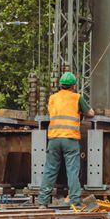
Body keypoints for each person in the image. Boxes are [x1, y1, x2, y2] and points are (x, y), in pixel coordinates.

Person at [37, 72, 95, 207]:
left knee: (50, 170)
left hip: (54, 138)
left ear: (61, 85)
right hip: (70, 139)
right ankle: (74, 201)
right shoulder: (77, 97)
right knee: (72, 171)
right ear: (73, 86)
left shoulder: (52, 98)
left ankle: (42, 201)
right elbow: (90, 113)